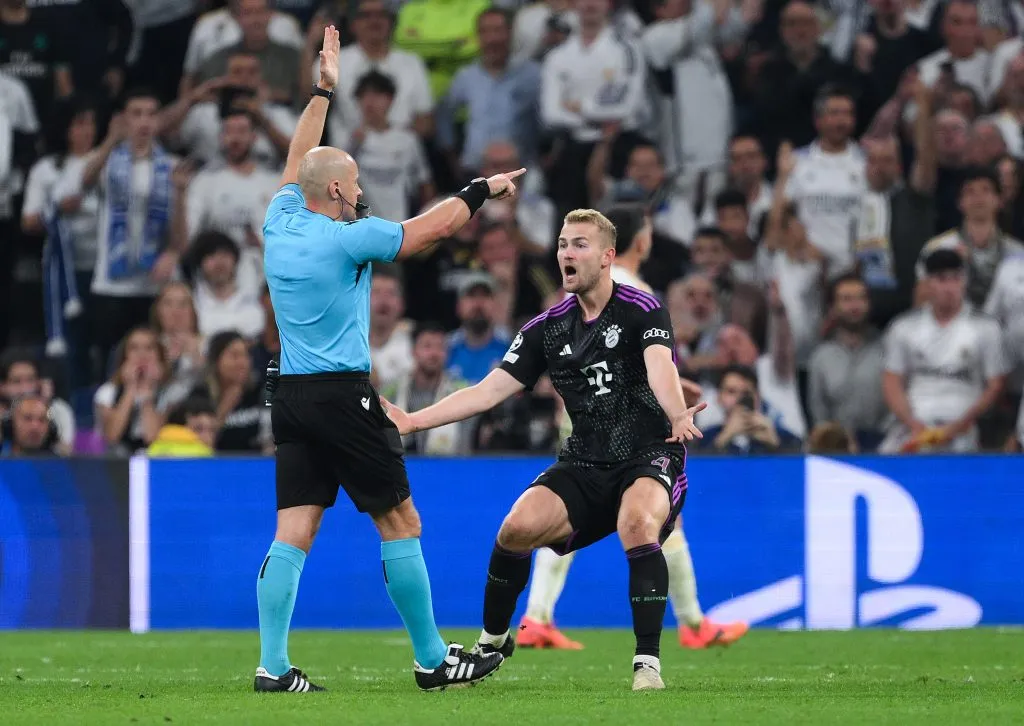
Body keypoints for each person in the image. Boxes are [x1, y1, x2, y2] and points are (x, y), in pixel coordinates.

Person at [256, 26, 524, 693]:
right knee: (400, 520)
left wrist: (323, 89)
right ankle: (434, 660)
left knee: (294, 530)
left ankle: (272, 665)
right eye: (353, 182)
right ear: (340, 193)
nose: (359, 190)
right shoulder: (351, 239)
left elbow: (297, 157)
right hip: (345, 394)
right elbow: (427, 231)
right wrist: (480, 190)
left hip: (290, 394)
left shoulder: (280, 218)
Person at [384, 209, 706, 691]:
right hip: (583, 460)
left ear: (607, 257)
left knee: (637, 524)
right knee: (515, 529)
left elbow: (660, 365)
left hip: (649, 454)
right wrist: (413, 421)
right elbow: (487, 391)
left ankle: (647, 664)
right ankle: (492, 643)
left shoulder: (643, 309)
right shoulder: (546, 328)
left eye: (578, 244)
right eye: (561, 245)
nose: (566, 254)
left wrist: (678, 412)